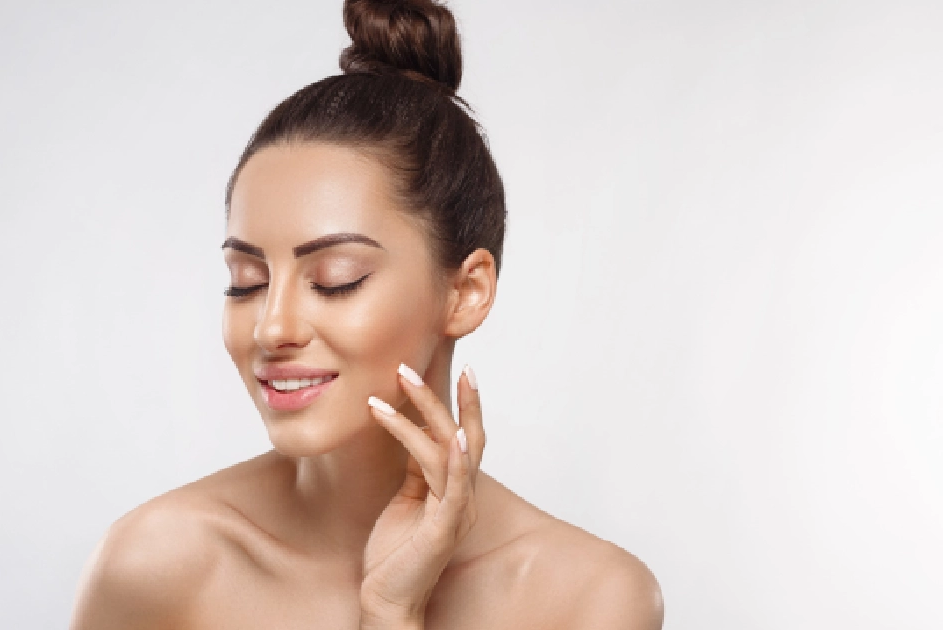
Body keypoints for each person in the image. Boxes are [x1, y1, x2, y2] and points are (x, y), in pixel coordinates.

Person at [70, 1, 663, 628]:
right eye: (247, 282)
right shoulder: (158, 566)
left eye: (335, 281)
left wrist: (391, 612)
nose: (272, 328)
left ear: (466, 293)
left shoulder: (589, 599)